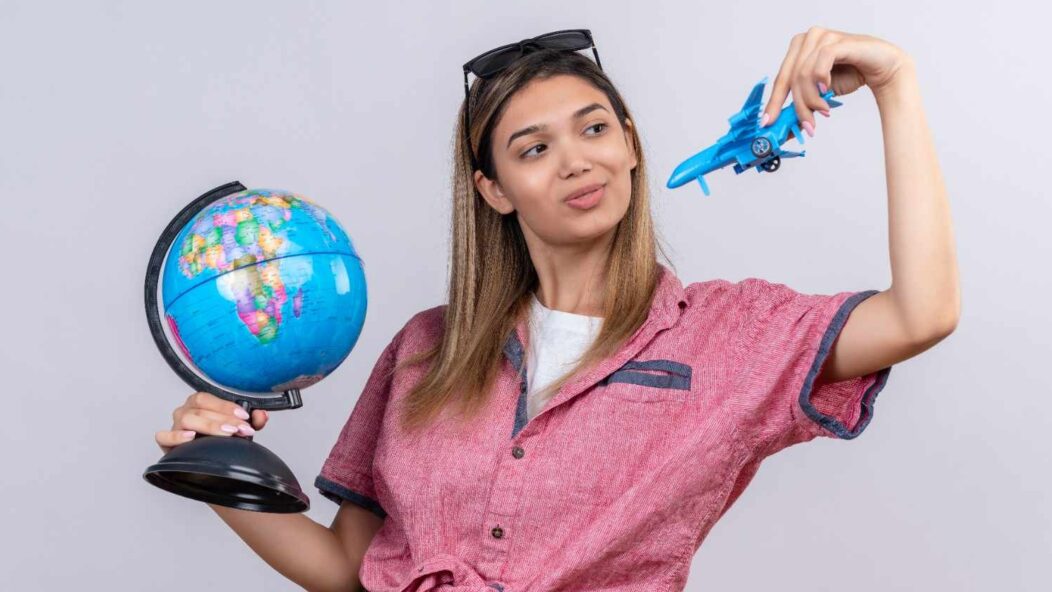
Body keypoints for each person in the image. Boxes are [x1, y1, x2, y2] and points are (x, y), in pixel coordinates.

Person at [155, 27, 960, 592]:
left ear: (632, 145)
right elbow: (345, 570)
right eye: (534, 148)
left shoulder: (729, 338)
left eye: (594, 128)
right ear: (494, 190)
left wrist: (895, 83)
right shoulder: (425, 351)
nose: (576, 160)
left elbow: (922, 313)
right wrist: (216, 467)